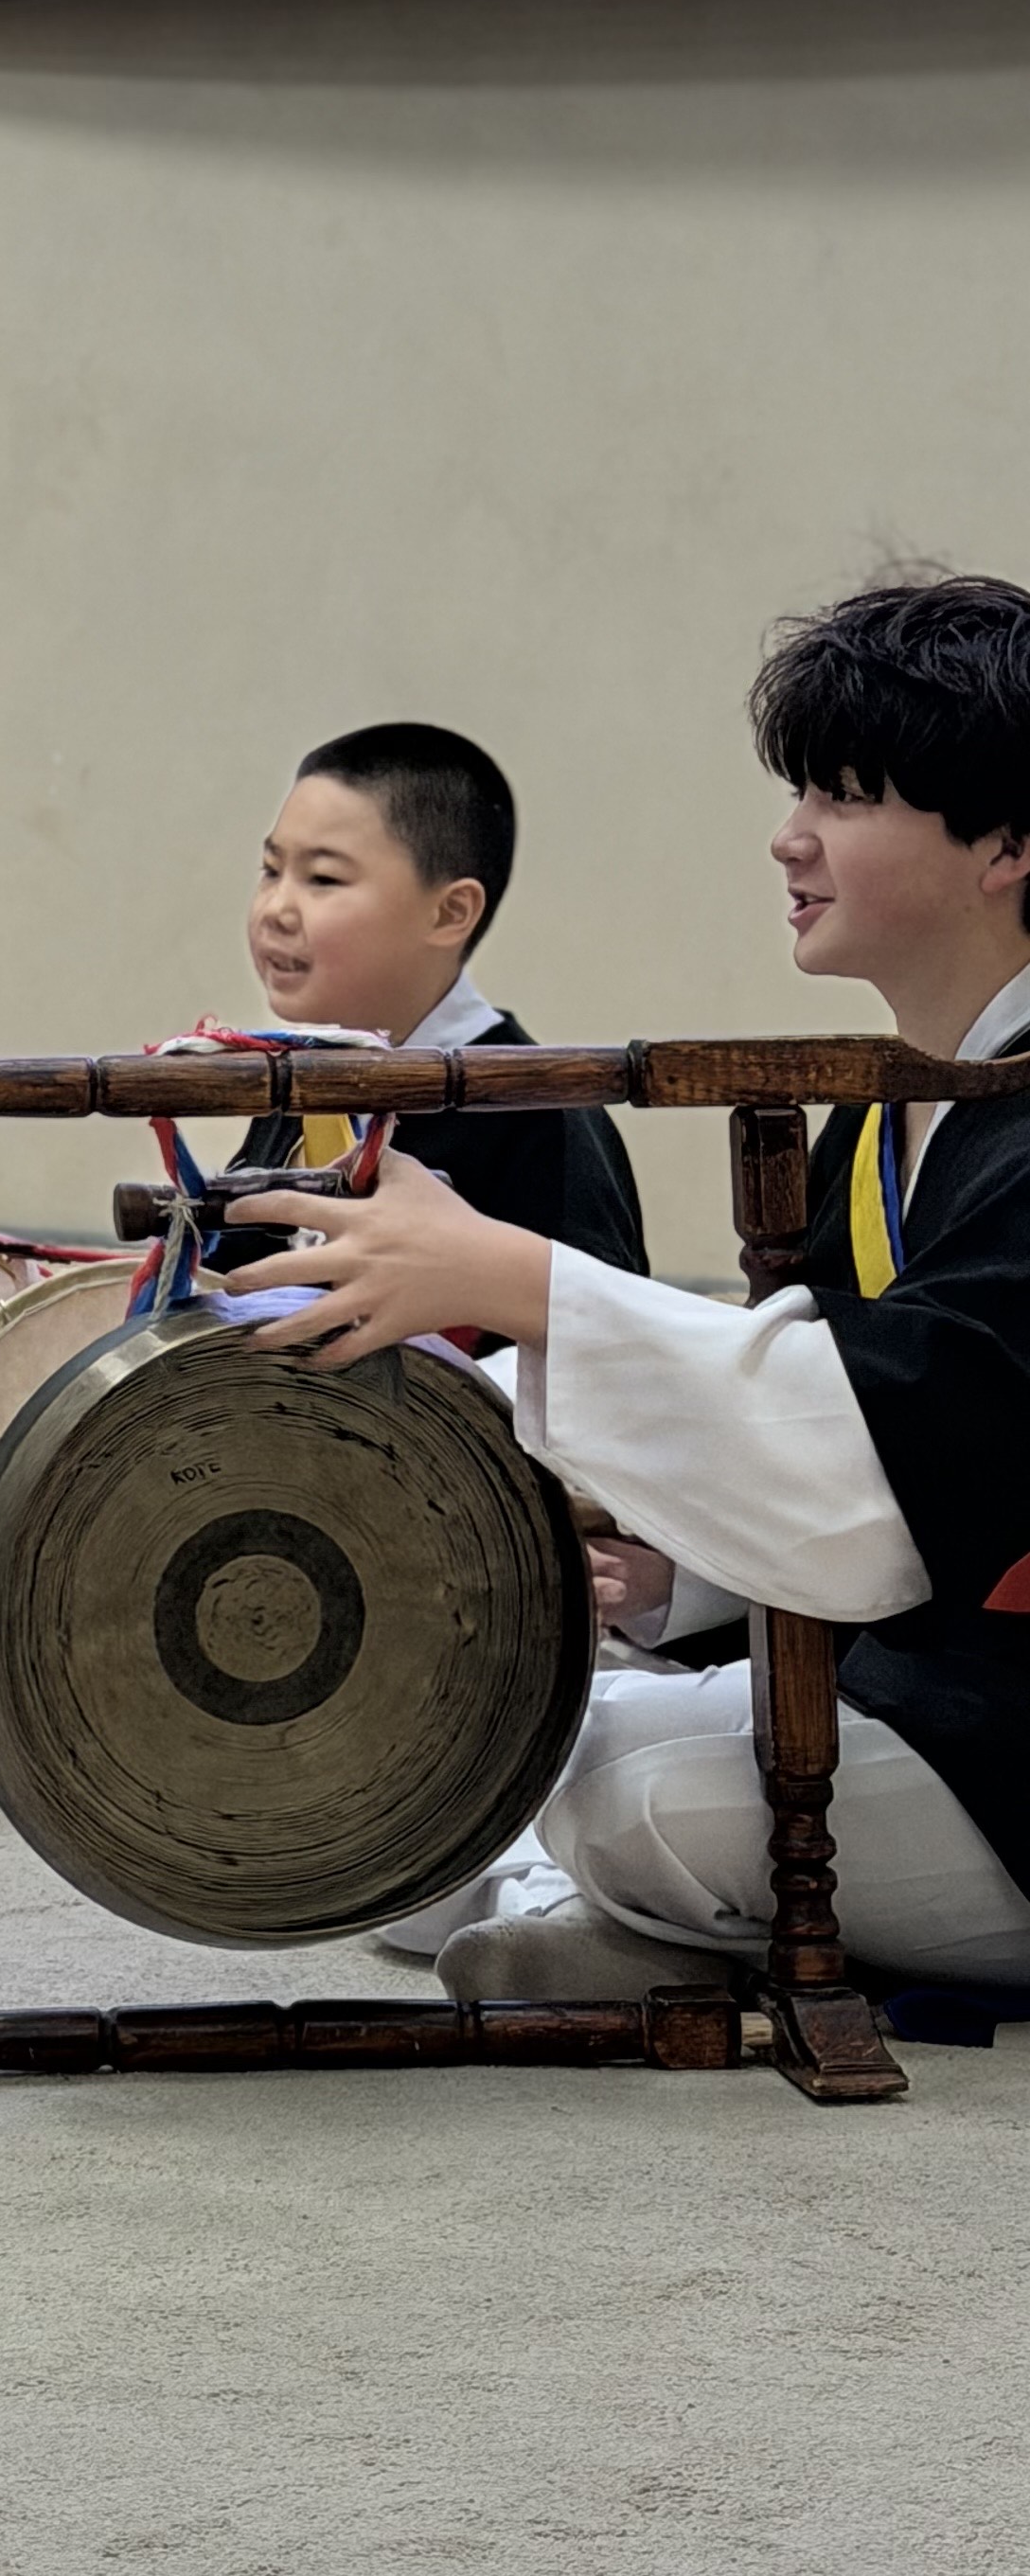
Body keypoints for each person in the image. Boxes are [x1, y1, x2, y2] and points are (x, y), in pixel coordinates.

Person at [220, 575, 1030, 2000]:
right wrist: (681, 1576)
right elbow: (856, 1438)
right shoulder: (886, 1113)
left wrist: (514, 1279)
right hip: (920, 1682)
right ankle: (651, 1928)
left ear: (1009, 843)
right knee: (474, 1758)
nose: (790, 837)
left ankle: (659, 1925)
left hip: (1008, 1731)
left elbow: (898, 1442)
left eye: (843, 797)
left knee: (612, 1796)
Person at [222, 721, 648, 1277]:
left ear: (449, 913)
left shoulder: (538, 1114)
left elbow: (585, 1321)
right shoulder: (303, 1080)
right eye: (271, 870)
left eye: (323, 878)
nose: (275, 909)